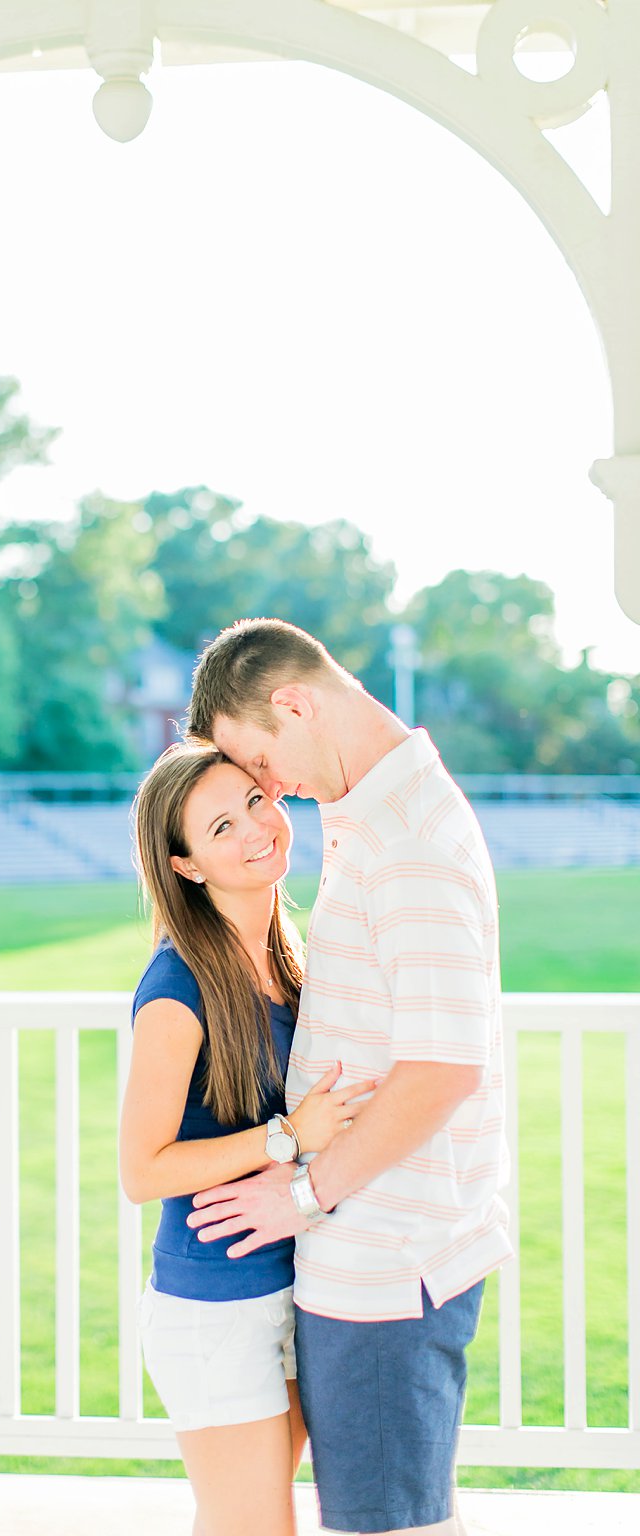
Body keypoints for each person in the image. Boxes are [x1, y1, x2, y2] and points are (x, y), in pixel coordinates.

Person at [183, 617, 509, 1536]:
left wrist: (304, 1195)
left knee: (385, 1525)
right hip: (367, 1249)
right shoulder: (369, 812)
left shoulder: (408, 843)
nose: (268, 789)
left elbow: (444, 1068)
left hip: (388, 1261)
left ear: (294, 704)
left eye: (259, 760)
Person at [121, 739, 377, 1536]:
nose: (255, 830)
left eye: (256, 803)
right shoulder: (178, 987)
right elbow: (141, 1170)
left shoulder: (287, 956)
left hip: (291, 1285)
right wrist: (287, 1138)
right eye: (220, 827)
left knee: (241, 1521)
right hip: (214, 1307)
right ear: (187, 866)